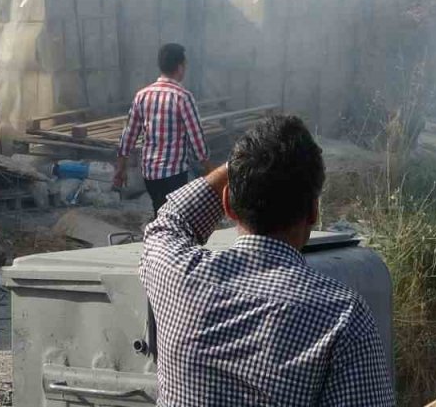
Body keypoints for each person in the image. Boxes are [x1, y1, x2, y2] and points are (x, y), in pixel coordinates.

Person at [140, 115, 395, 406]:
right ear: (313, 212)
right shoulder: (343, 317)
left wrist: (239, 166)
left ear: (227, 205)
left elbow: (170, 220)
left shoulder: (176, 275)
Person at [115, 43, 215, 216]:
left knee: (159, 211)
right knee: (174, 217)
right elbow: (196, 138)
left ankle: (158, 231)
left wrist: (120, 168)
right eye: (185, 65)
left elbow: (128, 135)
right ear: (180, 67)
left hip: (150, 175)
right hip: (174, 174)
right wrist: (209, 169)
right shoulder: (183, 97)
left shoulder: (142, 95)